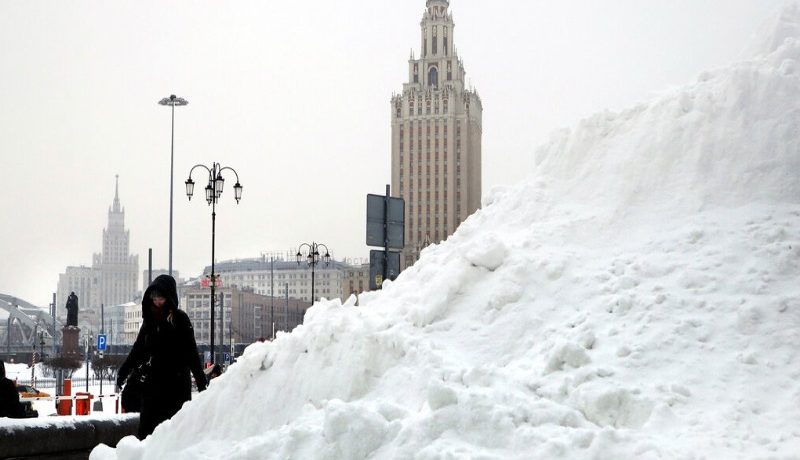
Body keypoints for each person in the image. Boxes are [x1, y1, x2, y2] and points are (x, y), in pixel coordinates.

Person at [117, 275, 207, 439]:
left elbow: (191, 353)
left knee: (173, 437)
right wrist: (122, 373)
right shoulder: (149, 322)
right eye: (154, 298)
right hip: (153, 387)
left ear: (169, 297)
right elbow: (137, 350)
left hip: (176, 387)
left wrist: (201, 383)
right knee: (146, 434)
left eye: (161, 298)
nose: (157, 302)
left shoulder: (179, 319)